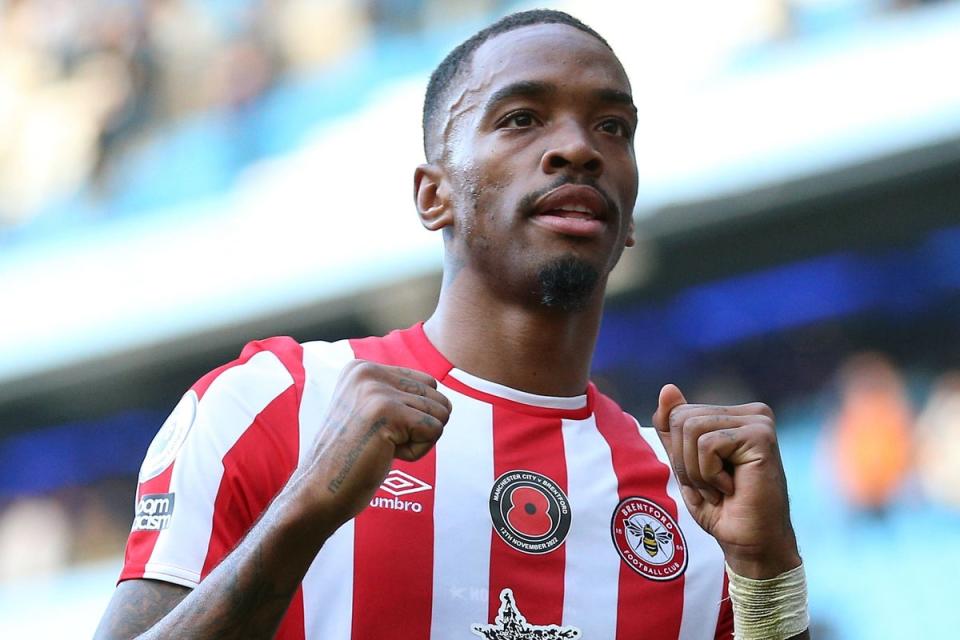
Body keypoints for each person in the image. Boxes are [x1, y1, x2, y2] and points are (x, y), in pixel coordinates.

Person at [95, 10, 809, 640]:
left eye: (612, 127)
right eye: (521, 119)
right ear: (433, 196)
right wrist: (304, 509)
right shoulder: (273, 403)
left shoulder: (695, 505)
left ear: (627, 218)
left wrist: (769, 575)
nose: (579, 150)